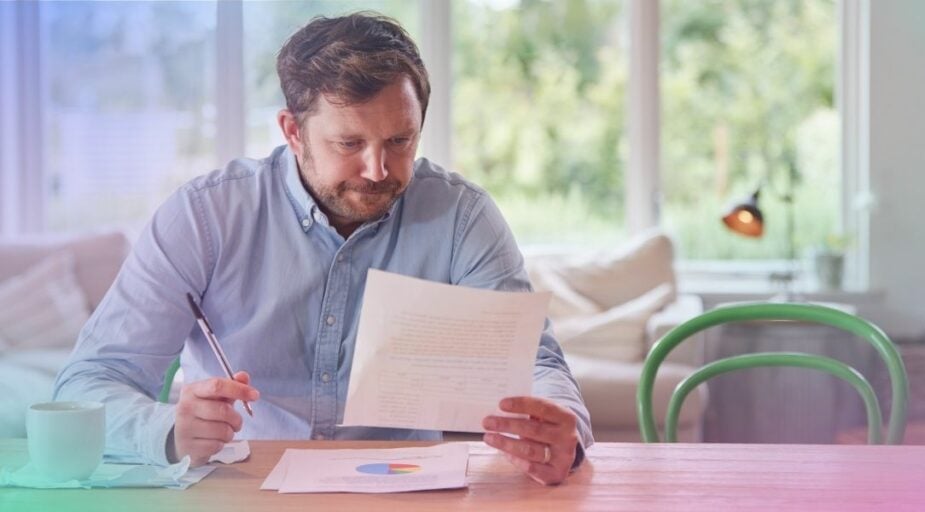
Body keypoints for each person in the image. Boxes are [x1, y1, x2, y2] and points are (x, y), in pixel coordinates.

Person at [53, 12, 592, 485]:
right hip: (239, 489)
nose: (378, 170)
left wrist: (559, 431)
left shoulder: (462, 217)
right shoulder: (204, 218)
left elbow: (535, 366)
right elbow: (88, 383)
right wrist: (168, 428)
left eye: (400, 141)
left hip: (405, 492)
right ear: (292, 131)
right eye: (350, 143)